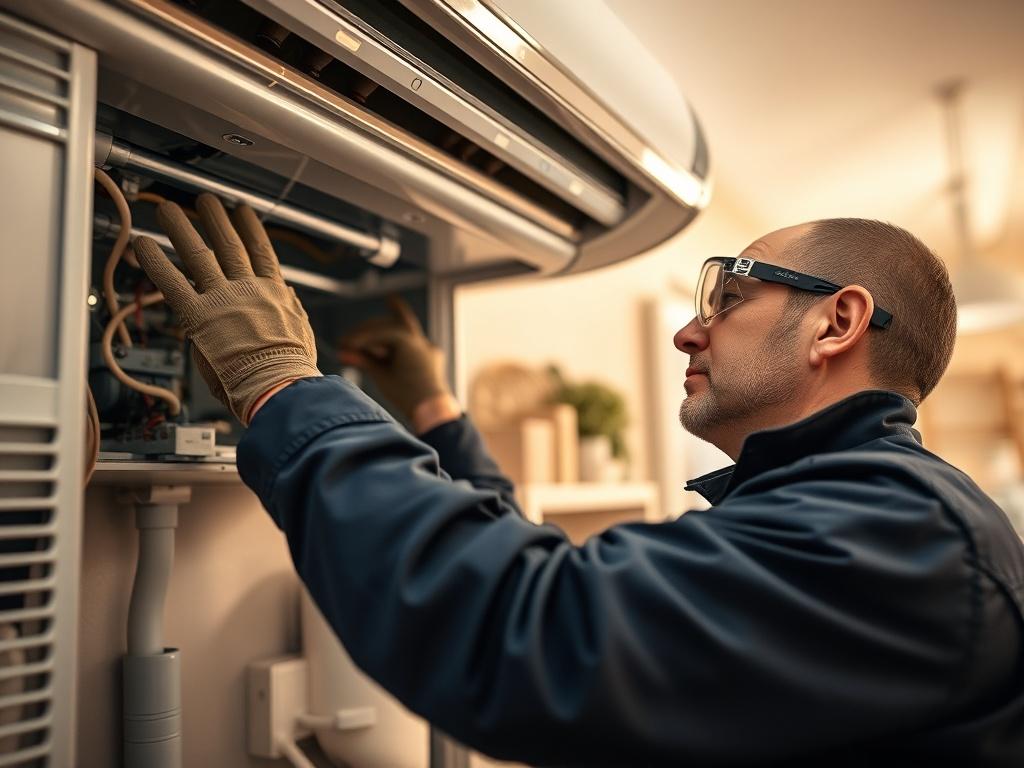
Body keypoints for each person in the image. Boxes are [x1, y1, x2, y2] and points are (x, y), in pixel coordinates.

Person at [134, 195, 1024, 766]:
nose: (691, 332)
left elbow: (532, 631)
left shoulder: (901, 534)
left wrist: (282, 386)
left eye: (727, 296)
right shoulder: (847, 508)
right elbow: (569, 586)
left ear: (838, 321)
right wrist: (437, 411)